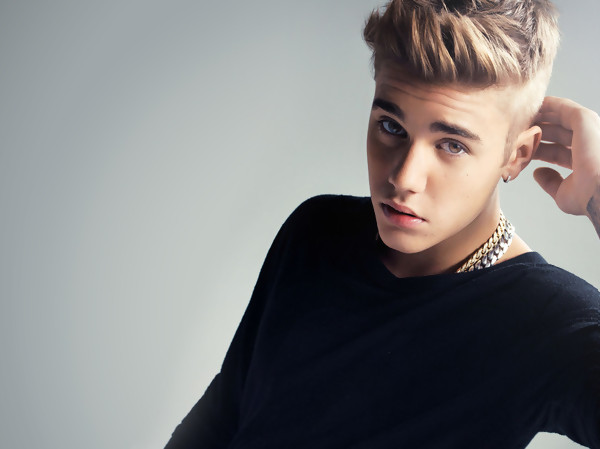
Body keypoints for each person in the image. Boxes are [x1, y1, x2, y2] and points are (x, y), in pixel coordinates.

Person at [166, 0, 600, 447]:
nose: (404, 178)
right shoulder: (315, 232)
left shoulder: (549, 323)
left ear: (518, 155)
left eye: (451, 145)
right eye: (391, 127)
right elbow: (222, 417)